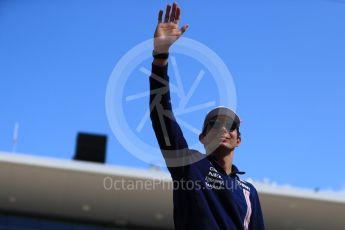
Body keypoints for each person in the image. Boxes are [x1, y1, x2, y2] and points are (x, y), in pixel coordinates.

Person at [149, 2, 265, 230]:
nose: (223, 129)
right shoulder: (190, 165)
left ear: (238, 139)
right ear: (202, 137)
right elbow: (162, 117)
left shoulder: (249, 192)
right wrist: (160, 59)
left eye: (230, 125)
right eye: (214, 124)